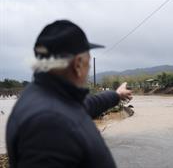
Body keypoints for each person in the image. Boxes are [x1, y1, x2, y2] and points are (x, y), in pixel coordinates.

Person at [6, 20, 132, 168]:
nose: (89, 68)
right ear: (78, 64)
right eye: (88, 63)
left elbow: (88, 104)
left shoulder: (51, 97)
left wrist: (117, 95)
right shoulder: (48, 123)